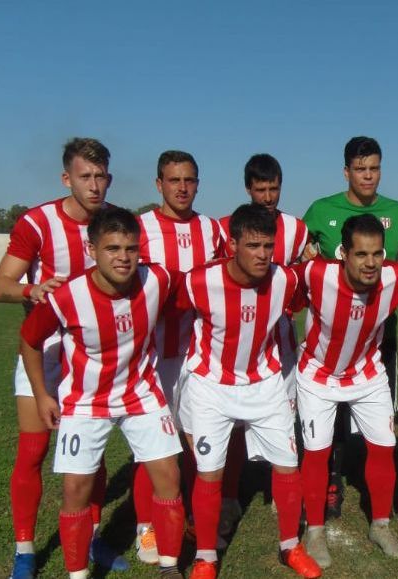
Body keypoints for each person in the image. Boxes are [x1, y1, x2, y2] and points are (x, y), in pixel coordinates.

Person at [19, 207, 185, 579]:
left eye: (130, 248)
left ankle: (170, 568)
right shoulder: (67, 296)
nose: (123, 258)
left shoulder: (156, 278)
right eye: (112, 248)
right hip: (85, 400)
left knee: (169, 476)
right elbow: (29, 340)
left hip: (141, 393)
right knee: (76, 488)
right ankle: (78, 575)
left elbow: (199, 283)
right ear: (91, 249)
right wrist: (42, 394)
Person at [0, 138, 127, 577]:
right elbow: (1, 286)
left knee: (94, 459)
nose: (94, 185)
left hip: (91, 358)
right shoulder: (38, 222)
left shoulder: (114, 224)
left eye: (100, 176)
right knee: (32, 451)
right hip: (45, 353)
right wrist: (32, 290)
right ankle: (26, 551)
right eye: (85, 176)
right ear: (66, 178)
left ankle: (90, 542)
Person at [179, 204, 321, 579]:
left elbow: (301, 301)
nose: (263, 254)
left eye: (268, 246)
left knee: (288, 466)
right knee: (209, 473)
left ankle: (290, 546)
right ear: (232, 244)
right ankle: (206, 558)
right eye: (253, 245)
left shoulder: (285, 279)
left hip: (266, 384)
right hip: (211, 386)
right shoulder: (197, 281)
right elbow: (166, 310)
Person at [302, 136, 398, 518]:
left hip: (378, 330)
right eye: (360, 169)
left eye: (373, 168)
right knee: (329, 415)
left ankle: (369, 486)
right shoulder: (321, 210)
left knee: (376, 411)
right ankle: (332, 481)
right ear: (346, 172)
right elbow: (301, 254)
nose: (367, 175)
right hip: (330, 333)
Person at [298, 214, 398, 569]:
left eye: (377, 253)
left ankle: (380, 524)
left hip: (367, 372)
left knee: (384, 448)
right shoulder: (315, 275)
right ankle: (314, 531)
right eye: (361, 254)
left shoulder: (395, 278)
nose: (371, 263)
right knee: (316, 452)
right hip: (318, 375)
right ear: (343, 253)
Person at [134, 150, 224, 563]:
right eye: (174, 180)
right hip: (153, 355)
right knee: (152, 444)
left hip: (199, 354)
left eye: (189, 180)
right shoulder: (141, 227)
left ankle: (185, 517)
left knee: (195, 441)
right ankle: (147, 528)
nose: (182, 188)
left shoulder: (210, 228)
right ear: (159, 185)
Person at [215, 154, 308, 538]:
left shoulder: (296, 229)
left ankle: (284, 496)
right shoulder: (226, 228)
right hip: (236, 344)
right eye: (260, 189)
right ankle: (228, 498)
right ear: (248, 189)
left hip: (280, 342)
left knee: (285, 420)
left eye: (274, 188)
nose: (268, 196)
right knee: (233, 425)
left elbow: (302, 278)